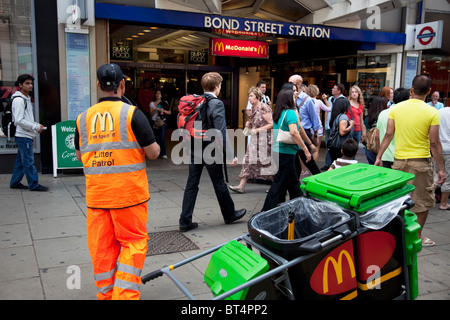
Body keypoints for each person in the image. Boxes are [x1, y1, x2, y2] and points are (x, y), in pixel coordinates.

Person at [75, 63, 160, 300]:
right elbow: (153, 153)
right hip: (128, 196)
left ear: (98, 86)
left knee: (102, 248)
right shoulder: (133, 114)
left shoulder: (82, 118)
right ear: (122, 84)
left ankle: (106, 294)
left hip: (97, 197)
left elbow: (80, 156)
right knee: (133, 244)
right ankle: (123, 296)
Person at [375, 74, 446, 247]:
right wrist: (441, 169)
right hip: (421, 163)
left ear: (411, 89)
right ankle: (417, 236)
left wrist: (378, 157)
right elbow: (435, 143)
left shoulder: (396, 109)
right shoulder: (432, 112)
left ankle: (396, 234)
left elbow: (388, 135)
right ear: (429, 91)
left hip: (398, 162)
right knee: (422, 202)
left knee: (398, 200)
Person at [179, 72, 246, 232]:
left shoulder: (198, 102)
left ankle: (184, 221)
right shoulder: (216, 104)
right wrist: (230, 155)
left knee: (191, 184)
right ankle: (229, 214)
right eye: (221, 85)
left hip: (195, 148)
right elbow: (221, 132)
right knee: (219, 182)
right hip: (210, 151)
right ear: (217, 87)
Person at [261, 89, 310, 212]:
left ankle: (300, 206)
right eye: (293, 97)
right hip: (286, 153)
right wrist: (305, 149)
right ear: (288, 99)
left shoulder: (279, 112)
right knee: (278, 184)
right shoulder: (290, 113)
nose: (295, 99)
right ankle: (265, 211)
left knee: (293, 183)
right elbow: (294, 132)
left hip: (278, 151)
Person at [229, 87, 274, 194]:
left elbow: (271, 124)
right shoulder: (254, 108)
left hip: (265, 140)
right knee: (248, 160)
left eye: (251, 96)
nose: (249, 98)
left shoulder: (263, 107)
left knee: (269, 163)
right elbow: (255, 120)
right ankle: (241, 186)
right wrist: (249, 124)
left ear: (258, 97)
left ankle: (277, 186)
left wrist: (257, 129)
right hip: (255, 140)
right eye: (249, 96)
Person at [9, 74, 49, 192]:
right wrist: (35, 127)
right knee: (28, 162)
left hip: (25, 135)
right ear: (20, 85)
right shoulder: (19, 100)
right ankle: (34, 184)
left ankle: (15, 182)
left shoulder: (25, 98)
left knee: (21, 162)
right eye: (27, 83)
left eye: (31, 83)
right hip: (23, 136)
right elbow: (19, 120)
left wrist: (36, 126)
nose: (30, 85)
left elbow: (25, 119)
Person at [377, 88, 410, 168]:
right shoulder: (408, 115)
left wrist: (379, 155)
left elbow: (377, 136)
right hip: (402, 157)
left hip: (385, 155)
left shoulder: (383, 113)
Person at [322, 83, 346, 171]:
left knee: (335, 145)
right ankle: (328, 164)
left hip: (336, 126)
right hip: (329, 125)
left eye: (334, 88)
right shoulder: (331, 98)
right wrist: (325, 123)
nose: (332, 89)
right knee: (328, 145)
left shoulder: (343, 100)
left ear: (339, 91)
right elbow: (327, 111)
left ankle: (336, 164)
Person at [307, 85, 331, 162]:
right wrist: (326, 100)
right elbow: (329, 109)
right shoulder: (319, 102)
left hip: (308, 126)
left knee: (307, 148)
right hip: (318, 126)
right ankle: (314, 169)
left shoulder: (305, 101)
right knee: (316, 149)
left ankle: (303, 169)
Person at [327, 97, 354, 162]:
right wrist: (351, 126)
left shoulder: (335, 116)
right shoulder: (343, 117)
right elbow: (342, 132)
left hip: (333, 146)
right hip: (340, 146)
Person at [365, 97, 388, 165]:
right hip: (383, 148)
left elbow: (364, 134)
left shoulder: (368, 119)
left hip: (370, 148)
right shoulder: (385, 118)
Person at [150, 89, 171, 158]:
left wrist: (163, 110)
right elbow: (151, 115)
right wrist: (154, 109)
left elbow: (169, 112)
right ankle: (157, 153)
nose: (158, 95)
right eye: (156, 93)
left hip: (162, 121)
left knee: (162, 137)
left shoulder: (165, 102)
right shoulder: (152, 103)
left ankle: (164, 153)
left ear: (161, 95)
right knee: (156, 138)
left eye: (159, 93)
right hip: (155, 122)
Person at [438, 104, 450, 210]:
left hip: (438, 148)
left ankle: (430, 198)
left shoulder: (440, 111)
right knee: (448, 177)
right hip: (449, 149)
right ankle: (443, 203)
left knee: (435, 176)